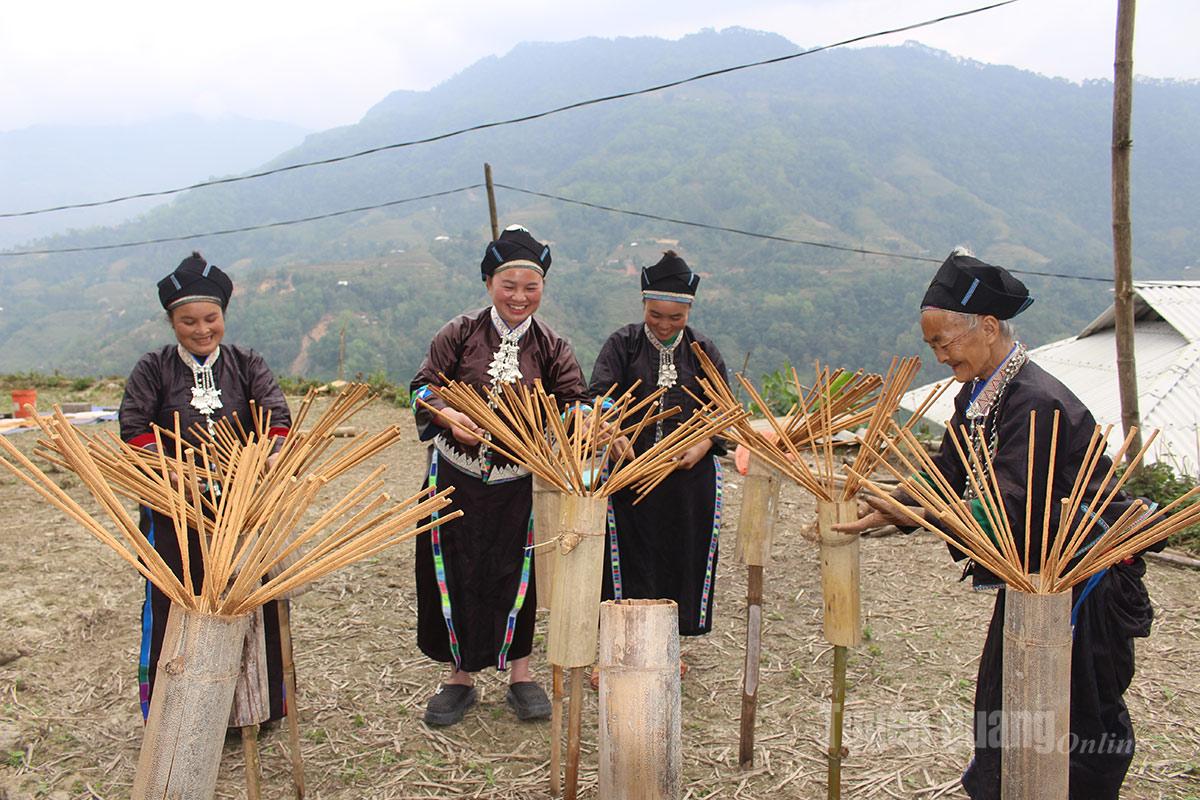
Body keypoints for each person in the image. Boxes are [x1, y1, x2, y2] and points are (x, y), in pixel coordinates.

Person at [834, 249, 1156, 800]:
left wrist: (922, 514)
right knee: (1007, 705)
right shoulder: (980, 395)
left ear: (986, 326)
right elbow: (949, 470)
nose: (938, 357)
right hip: (1034, 575)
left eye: (943, 343)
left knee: (1075, 718)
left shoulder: (1034, 400)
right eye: (932, 344)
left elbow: (1011, 508)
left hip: (1084, 582)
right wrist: (895, 505)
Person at [410, 224, 589, 726]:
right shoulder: (460, 332)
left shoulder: (553, 346)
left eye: (531, 287)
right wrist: (449, 415)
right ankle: (459, 677)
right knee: (457, 569)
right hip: (455, 475)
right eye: (508, 285)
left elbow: (574, 400)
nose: (519, 296)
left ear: (543, 289)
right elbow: (422, 389)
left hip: (518, 484)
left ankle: (522, 675)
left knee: (519, 573)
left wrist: (579, 419)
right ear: (489, 282)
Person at [119, 252, 293, 721]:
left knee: (252, 603)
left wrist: (271, 455)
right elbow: (133, 428)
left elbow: (277, 416)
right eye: (188, 321)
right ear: (171, 322)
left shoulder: (245, 362)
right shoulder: (153, 368)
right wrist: (170, 468)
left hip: (243, 507)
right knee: (176, 601)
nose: (201, 330)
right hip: (174, 509)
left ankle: (255, 709)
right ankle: (173, 714)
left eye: (210, 319)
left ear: (224, 316)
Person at [588, 251, 730, 671]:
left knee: (677, 558)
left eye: (675, 317)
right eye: (656, 315)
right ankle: (616, 654)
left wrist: (702, 444)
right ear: (643, 306)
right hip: (628, 476)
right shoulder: (623, 343)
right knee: (624, 562)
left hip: (688, 480)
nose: (665, 325)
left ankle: (664, 651)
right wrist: (612, 432)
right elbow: (598, 397)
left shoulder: (703, 350)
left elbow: (722, 410)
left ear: (689, 310)